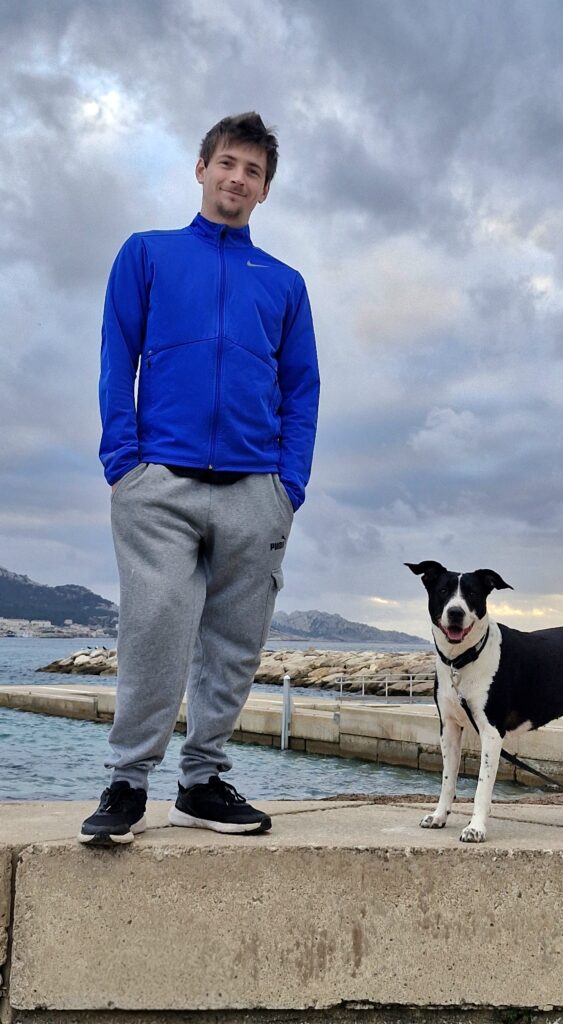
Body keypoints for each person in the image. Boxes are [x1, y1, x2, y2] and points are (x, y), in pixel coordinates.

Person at [79, 112, 319, 845]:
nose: (237, 178)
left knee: (235, 644)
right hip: (159, 483)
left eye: (253, 171)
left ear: (265, 190)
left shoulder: (284, 283)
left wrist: (288, 486)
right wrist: (123, 463)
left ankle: (202, 783)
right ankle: (128, 782)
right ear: (201, 169)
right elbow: (118, 355)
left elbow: (301, 388)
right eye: (227, 163)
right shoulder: (147, 253)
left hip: (256, 489)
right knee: (153, 629)